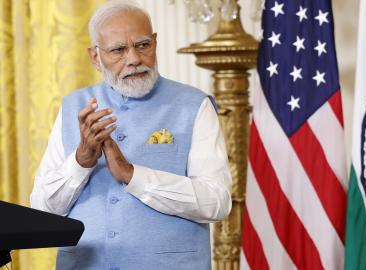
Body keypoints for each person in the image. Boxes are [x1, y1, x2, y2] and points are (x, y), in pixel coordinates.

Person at [30, 1, 232, 269]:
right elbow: (44, 211)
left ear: (155, 43)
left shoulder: (194, 105)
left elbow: (217, 202)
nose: (134, 59)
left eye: (143, 45)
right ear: (95, 57)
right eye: (118, 50)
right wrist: (81, 161)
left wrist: (132, 174)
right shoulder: (73, 107)